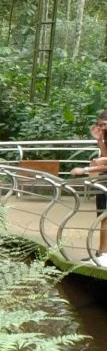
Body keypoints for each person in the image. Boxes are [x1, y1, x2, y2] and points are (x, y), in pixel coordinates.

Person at [68, 110, 107, 265]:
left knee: (105, 216)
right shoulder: (105, 134)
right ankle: (102, 253)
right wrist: (99, 140)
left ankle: (103, 254)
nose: (102, 128)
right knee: (103, 215)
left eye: (104, 125)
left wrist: (85, 170)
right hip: (104, 179)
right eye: (99, 125)